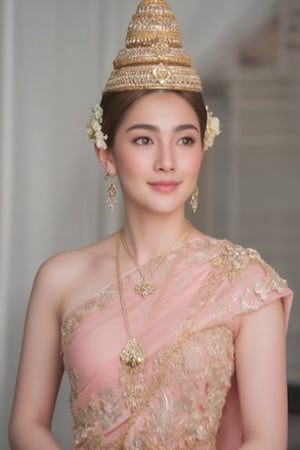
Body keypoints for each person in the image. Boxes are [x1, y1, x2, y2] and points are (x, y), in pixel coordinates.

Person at [9, 1, 293, 449]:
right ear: (106, 154)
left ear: (203, 148)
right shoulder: (61, 279)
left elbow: (266, 440)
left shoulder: (245, 283)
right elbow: (26, 424)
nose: (167, 161)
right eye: (144, 139)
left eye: (184, 139)